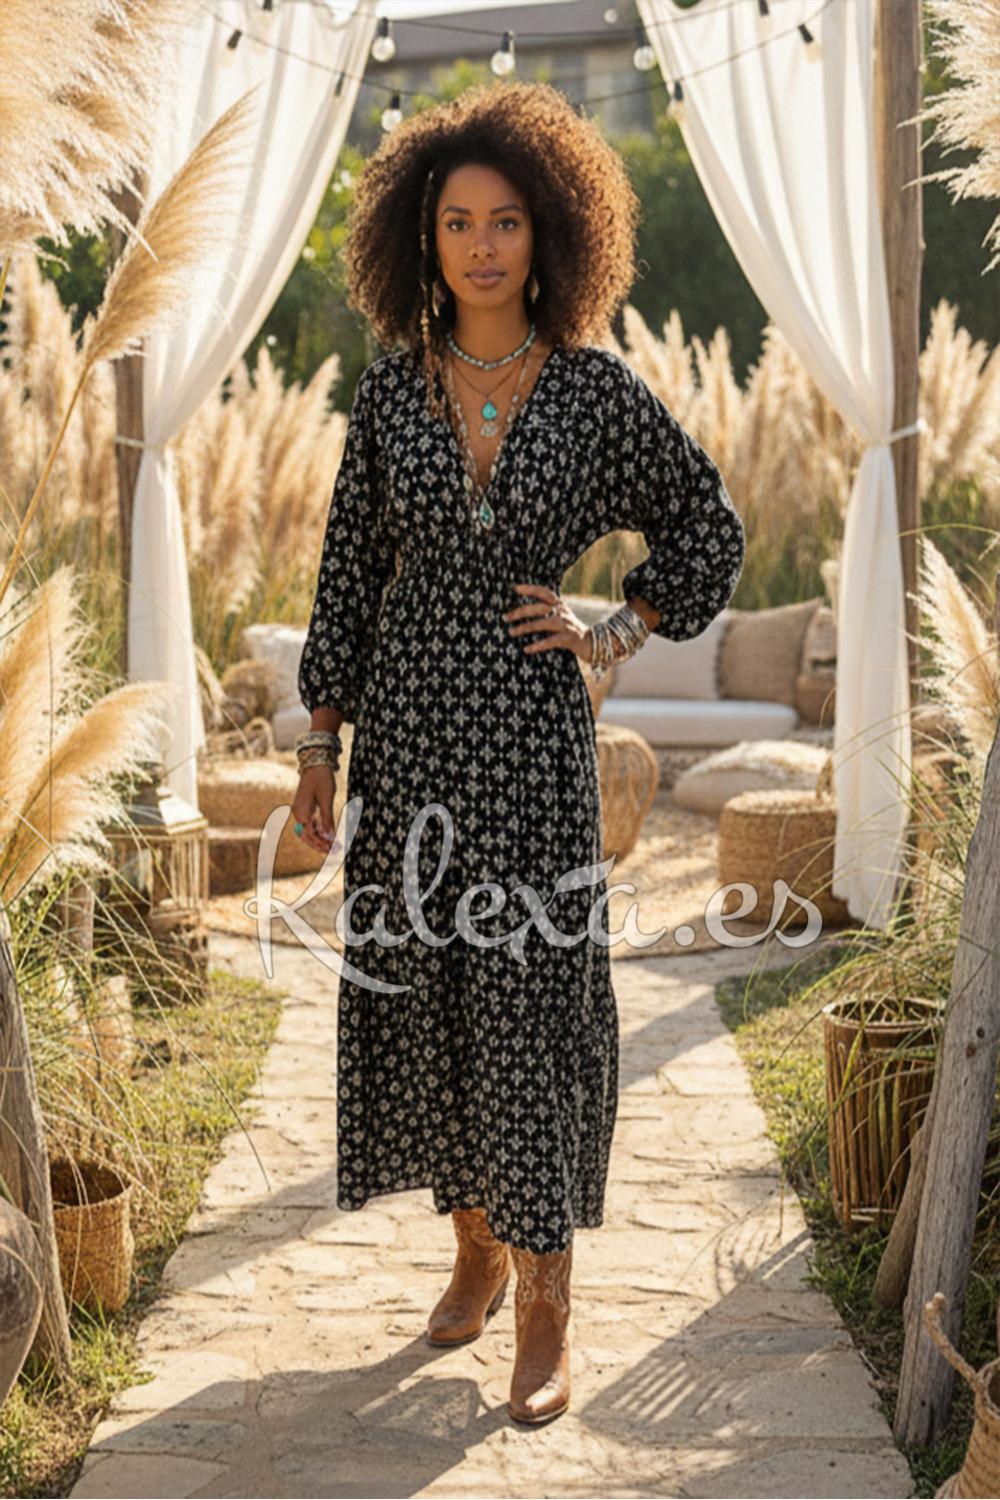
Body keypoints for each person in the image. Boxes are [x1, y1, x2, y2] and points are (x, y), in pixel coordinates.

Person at [291, 79, 745, 1425]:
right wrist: (320, 749)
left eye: (504, 222)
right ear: (421, 240)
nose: (481, 246)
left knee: (534, 998)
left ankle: (548, 1295)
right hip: (411, 745)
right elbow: (345, 579)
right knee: (430, 995)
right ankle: (476, 1248)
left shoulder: (594, 393)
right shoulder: (390, 393)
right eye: (456, 223)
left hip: (535, 747)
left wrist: (616, 629)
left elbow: (707, 527)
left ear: (548, 231)